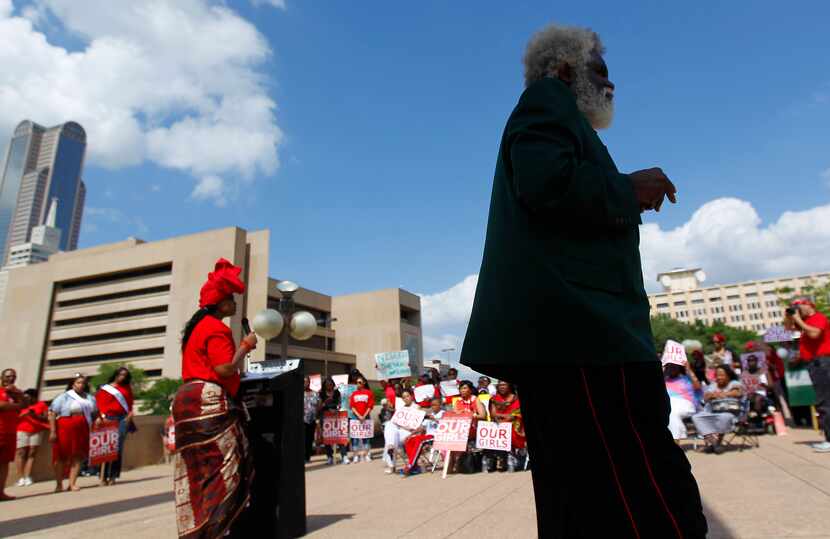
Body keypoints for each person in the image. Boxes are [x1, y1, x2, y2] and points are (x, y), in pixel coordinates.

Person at [459, 23, 707, 537]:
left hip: (573, 340)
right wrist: (626, 188)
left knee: (579, 495)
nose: (611, 84)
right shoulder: (547, 100)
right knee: (646, 488)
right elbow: (545, 183)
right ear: (564, 68)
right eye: (601, 69)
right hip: (587, 336)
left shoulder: (568, 121)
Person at [172, 258, 257, 537]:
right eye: (231, 299)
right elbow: (224, 368)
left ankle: (195, 528)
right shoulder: (217, 329)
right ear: (221, 303)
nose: (234, 304)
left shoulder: (196, 328)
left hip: (186, 400)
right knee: (227, 469)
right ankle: (216, 530)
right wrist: (245, 346)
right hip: (208, 401)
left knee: (197, 470)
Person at [784, 298, 830, 453]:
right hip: (814, 364)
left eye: (798, 306)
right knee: (824, 400)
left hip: (822, 363)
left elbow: (815, 334)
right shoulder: (805, 321)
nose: (797, 309)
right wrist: (790, 316)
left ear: (809, 305)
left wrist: (797, 319)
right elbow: (787, 330)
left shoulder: (818, 318)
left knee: (825, 401)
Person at [49, 374, 100, 492]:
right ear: (72, 384)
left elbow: (95, 412)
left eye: (83, 383)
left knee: (78, 455)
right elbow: (52, 413)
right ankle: (59, 484)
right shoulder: (64, 397)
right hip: (65, 426)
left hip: (82, 427)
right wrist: (52, 431)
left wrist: (97, 418)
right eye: (78, 382)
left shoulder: (89, 398)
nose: (81, 385)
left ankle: (72, 483)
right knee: (61, 455)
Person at [95, 366, 135, 486]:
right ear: (116, 375)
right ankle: (103, 476)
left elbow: (130, 403)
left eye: (125, 375)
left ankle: (113, 475)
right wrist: (101, 417)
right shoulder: (106, 389)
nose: (123, 377)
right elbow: (99, 403)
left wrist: (130, 415)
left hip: (122, 418)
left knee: (118, 448)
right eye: (121, 374)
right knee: (106, 447)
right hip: (108, 417)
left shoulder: (127, 389)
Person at [691, 366, 744, 454]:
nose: (719, 377)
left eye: (722, 375)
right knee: (696, 417)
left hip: (730, 412)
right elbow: (706, 396)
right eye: (718, 375)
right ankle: (715, 444)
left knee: (724, 417)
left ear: (728, 375)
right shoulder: (714, 385)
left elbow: (737, 392)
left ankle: (714, 445)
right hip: (713, 411)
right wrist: (720, 394)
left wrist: (718, 394)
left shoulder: (734, 383)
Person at [489, 381, 527, 472]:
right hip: (500, 425)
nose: (502, 387)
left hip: (514, 424)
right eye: (500, 385)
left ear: (509, 386)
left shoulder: (516, 398)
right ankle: (500, 459)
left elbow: (515, 414)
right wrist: (502, 417)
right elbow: (493, 414)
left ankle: (514, 457)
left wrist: (504, 417)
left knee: (513, 430)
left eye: (504, 385)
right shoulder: (494, 399)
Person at [401, 397, 444, 476]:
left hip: (436, 436)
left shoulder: (443, 413)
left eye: (435, 405)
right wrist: (410, 434)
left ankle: (410, 465)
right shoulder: (431, 415)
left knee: (419, 440)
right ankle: (414, 465)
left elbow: (445, 425)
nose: (433, 407)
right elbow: (422, 428)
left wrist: (434, 419)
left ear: (440, 405)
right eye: (432, 405)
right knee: (410, 440)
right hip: (427, 436)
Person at [15, 389, 48, 487]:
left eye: (28, 397)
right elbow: (14, 417)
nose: (26, 399)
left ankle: (27, 476)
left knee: (32, 453)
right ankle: (20, 477)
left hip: (36, 431)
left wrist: (33, 414)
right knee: (21, 453)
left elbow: (45, 418)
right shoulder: (20, 405)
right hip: (22, 430)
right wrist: (23, 414)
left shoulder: (41, 405)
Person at [382, 388, 420, 474]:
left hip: (410, 432)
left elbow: (418, 424)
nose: (406, 398)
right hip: (401, 431)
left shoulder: (417, 407)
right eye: (404, 397)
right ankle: (391, 447)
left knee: (390, 439)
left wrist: (408, 428)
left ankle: (391, 466)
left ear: (411, 396)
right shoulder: (401, 408)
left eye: (407, 396)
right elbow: (397, 422)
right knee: (389, 424)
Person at [0, 368, 24, 501]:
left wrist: (18, 397)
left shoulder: (15, 393)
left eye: (14, 376)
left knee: (5, 462)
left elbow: (26, 404)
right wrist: (18, 405)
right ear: (2, 377)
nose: (11, 378)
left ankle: (1, 492)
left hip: (10, 432)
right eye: (8, 376)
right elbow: (2, 406)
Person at [664, 361, 702, 441]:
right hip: (668, 403)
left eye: (674, 366)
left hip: (686, 404)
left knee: (671, 412)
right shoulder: (664, 380)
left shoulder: (687, 378)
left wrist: (689, 370)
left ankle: (675, 440)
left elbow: (698, 387)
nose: (671, 368)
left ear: (679, 367)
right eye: (669, 366)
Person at [318, 377, 349, 465]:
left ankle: (344, 456)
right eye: (327, 385)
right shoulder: (322, 394)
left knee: (340, 436)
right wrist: (325, 405)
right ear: (324, 385)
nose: (329, 386)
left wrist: (337, 408)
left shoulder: (337, 392)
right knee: (327, 438)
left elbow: (340, 403)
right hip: (325, 417)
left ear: (333, 384)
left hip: (336, 416)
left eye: (331, 384)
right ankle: (329, 457)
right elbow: (319, 407)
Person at [349, 375, 375, 463]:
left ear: (364, 383)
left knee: (366, 437)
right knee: (355, 438)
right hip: (355, 418)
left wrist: (364, 415)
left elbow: (370, 405)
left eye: (360, 382)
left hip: (366, 417)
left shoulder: (369, 393)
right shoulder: (353, 394)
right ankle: (356, 455)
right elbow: (352, 406)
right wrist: (359, 416)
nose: (358, 384)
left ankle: (367, 454)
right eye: (357, 382)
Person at [303, 376, 320, 463]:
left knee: (309, 439)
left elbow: (318, 406)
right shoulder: (299, 393)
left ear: (309, 382)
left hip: (312, 419)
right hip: (302, 420)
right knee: (302, 439)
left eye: (306, 381)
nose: (305, 383)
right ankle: (302, 457)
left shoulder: (315, 393)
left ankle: (307, 457)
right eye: (303, 381)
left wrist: (317, 417)